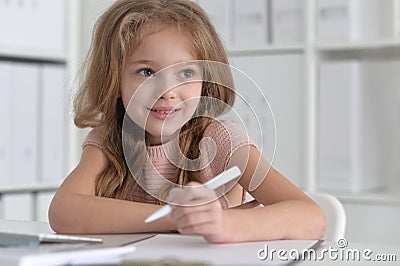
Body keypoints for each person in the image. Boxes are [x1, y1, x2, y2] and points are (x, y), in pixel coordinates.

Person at [49, 0, 326, 244]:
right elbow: (63, 213)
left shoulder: (221, 141)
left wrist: (223, 223)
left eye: (185, 73)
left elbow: (312, 217)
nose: (167, 92)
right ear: (114, 80)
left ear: (205, 78)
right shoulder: (108, 140)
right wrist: (175, 217)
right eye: (146, 71)